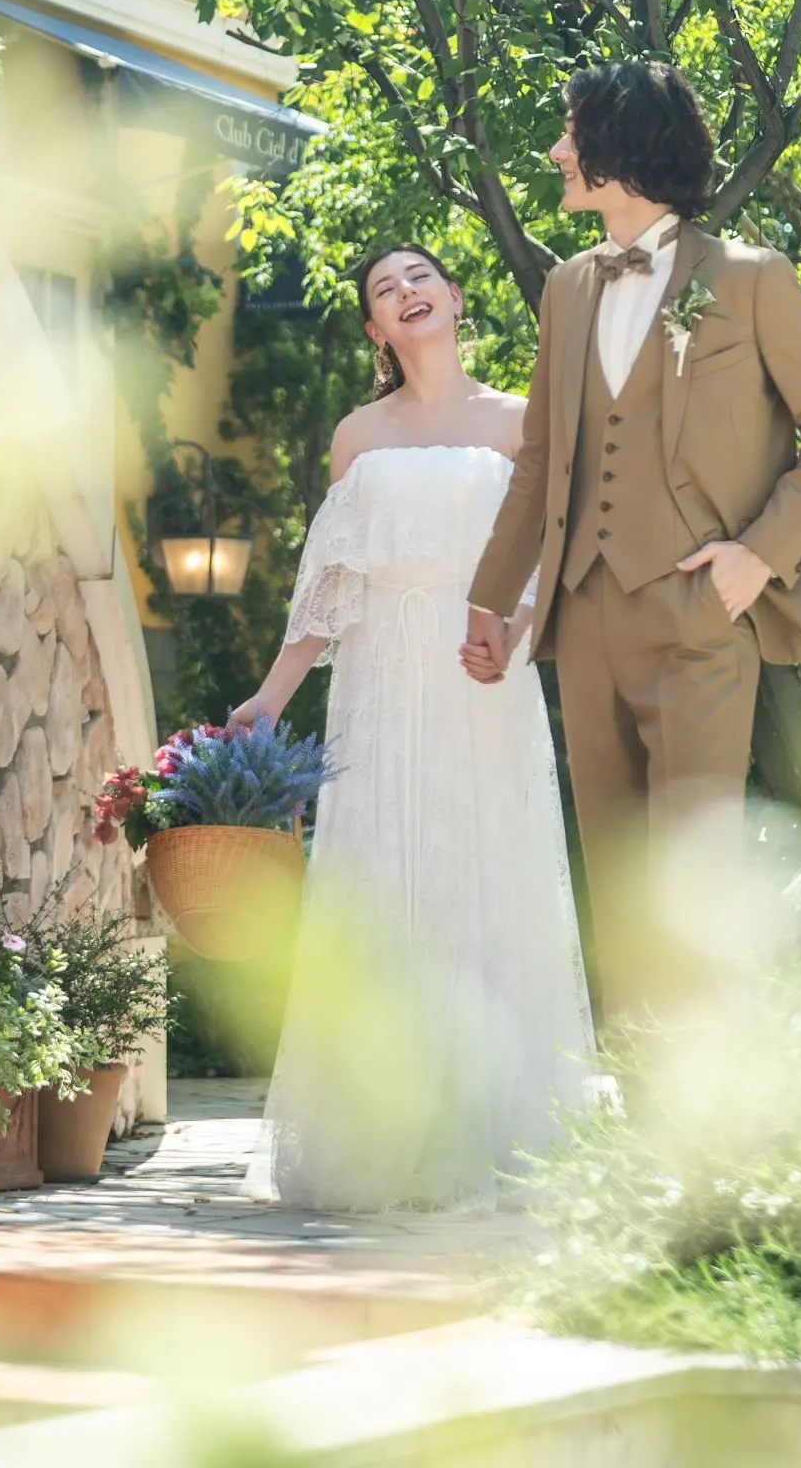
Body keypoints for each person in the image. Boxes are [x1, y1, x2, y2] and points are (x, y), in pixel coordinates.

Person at [461, 61, 801, 1020]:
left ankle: (711, 1117)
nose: (558, 153)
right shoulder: (568, 289)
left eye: (572, 136)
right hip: (585, 619)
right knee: (617, 880)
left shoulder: (749, 278)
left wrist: (758, 554)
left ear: (623, 151)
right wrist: (491, 599)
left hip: (701, 615)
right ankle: (642, 1120)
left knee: (695, 869)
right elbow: (540, 460)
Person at [227, 244, 595, 1212]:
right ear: (374, 329)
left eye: (420, 276)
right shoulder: (357, 434)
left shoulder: (519, 420)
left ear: (455, 296)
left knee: (487, 868)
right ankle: (374, 1127)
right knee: (383, 879)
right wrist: (273, 694)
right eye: (385, 289)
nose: (408, 291)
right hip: (381, 675)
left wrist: (516, 632)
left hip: (482, 669)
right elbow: (331, 581)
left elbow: (550, 554)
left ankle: (498, 1130)